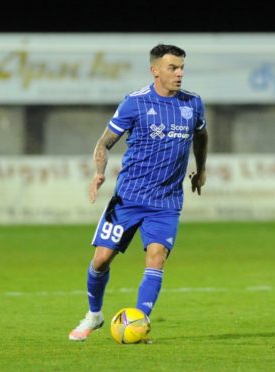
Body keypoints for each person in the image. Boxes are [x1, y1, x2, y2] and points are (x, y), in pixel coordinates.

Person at [68, 43, 208, 341]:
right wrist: (98, 173)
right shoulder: (135, 103)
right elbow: (105, 142)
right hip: (128, 198)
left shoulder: (193, 104)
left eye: (182, 67)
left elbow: (202, 134)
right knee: (101, 260)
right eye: (173, 68)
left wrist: (202, 168)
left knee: (157, 256)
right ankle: (93, 315)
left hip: (166, 202)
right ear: (155, 70)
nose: (180, 73)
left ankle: (139, 322)